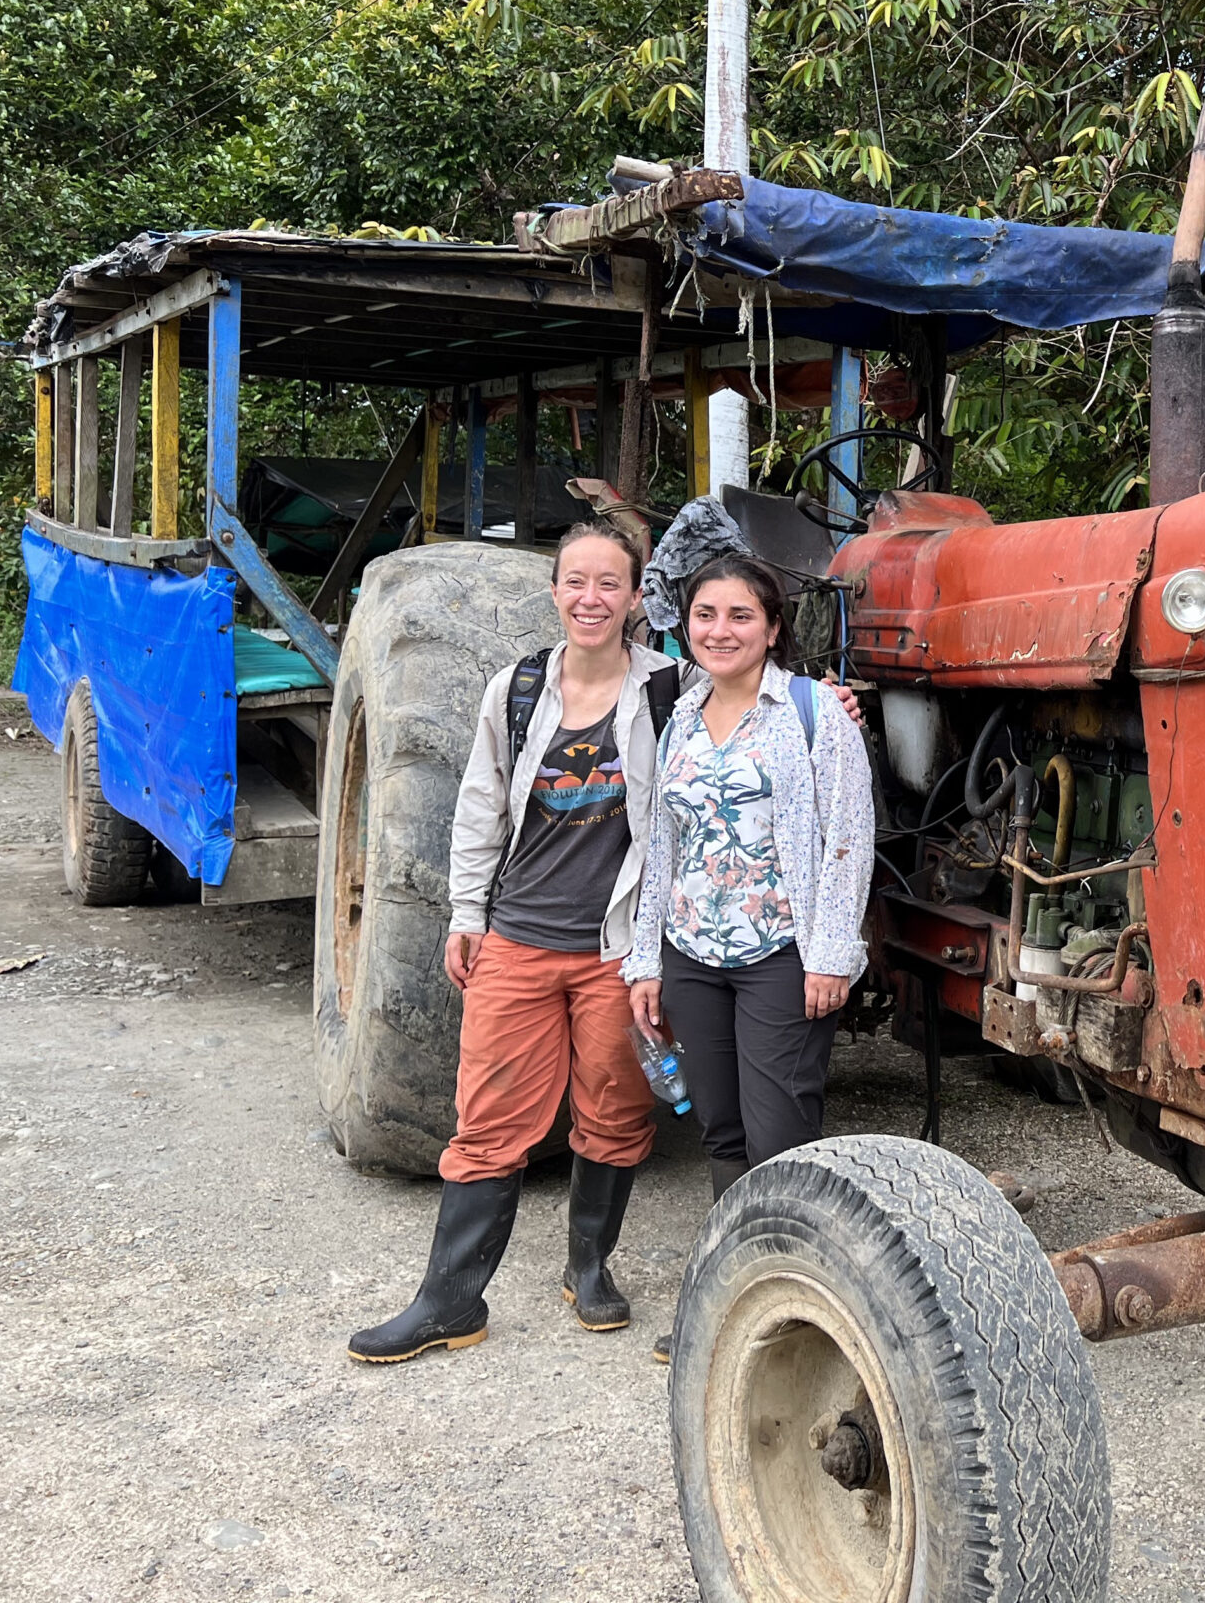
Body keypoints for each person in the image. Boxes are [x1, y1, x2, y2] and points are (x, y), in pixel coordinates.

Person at [346, 521, 676, 1364]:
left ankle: (589, 1267)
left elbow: (761, 700)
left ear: (636, 596)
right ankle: (449, 1301)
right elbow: (479, 807)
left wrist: (834, 701)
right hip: (519, 937)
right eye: (577, 582)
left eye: (610, 583)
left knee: (613, 1110)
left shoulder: (673, 694)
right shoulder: (518, 689)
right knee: (488, 1120)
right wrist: (466, 914)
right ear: (556, 590)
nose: (592, 598)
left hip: (615, 950)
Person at [625, 556, 875, 1359]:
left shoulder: (811, 714)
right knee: (724, 1134)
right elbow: (661, 843)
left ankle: (801, 1317)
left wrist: (831, 955)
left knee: (781, 1140)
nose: (719, 631)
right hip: (693, 951)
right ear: (684, 625)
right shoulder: (682, 716)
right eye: (705, 615)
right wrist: (645, 961)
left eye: (739, 616)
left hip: (781, 952)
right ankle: (730, 1305)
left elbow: (847, 839)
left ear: (772, 629)